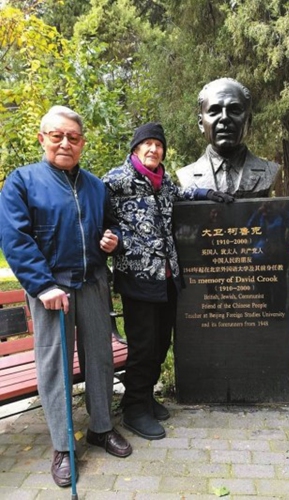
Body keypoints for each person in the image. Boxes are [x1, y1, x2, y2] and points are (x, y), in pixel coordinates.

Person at [0, 105, 132, 488]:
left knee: (100, 358)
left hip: (92, 283)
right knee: (55, 367)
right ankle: (62, 446)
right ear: (42, 138)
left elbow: (111, 223)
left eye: (73, 137)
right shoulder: (22, 181)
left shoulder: (94, 184)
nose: (65, 143)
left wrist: (113, 239)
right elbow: (15, 239)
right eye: (57, 135)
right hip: (51, 290)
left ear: (82, 143)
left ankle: (101, 429)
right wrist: (42, 285)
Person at [102, 122, 233, 441]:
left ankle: (146, 397)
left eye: (158, 145)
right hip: (137, 276)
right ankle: (134, 409)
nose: (153, 149)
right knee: (144, 347)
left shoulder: (164, 182)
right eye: (146, 144)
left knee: (160, 345)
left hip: (168, 276)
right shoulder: (115, 181)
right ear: (135, 149)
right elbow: (102, 220)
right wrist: (115, 241)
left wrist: (208, 194)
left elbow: (183, 194)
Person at [177, 77, 280, 198]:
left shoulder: (269, 171)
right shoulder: (186, 175)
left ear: (248, 121)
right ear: (201, 123)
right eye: (214, 111)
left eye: (234, 110)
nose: (224, 118)